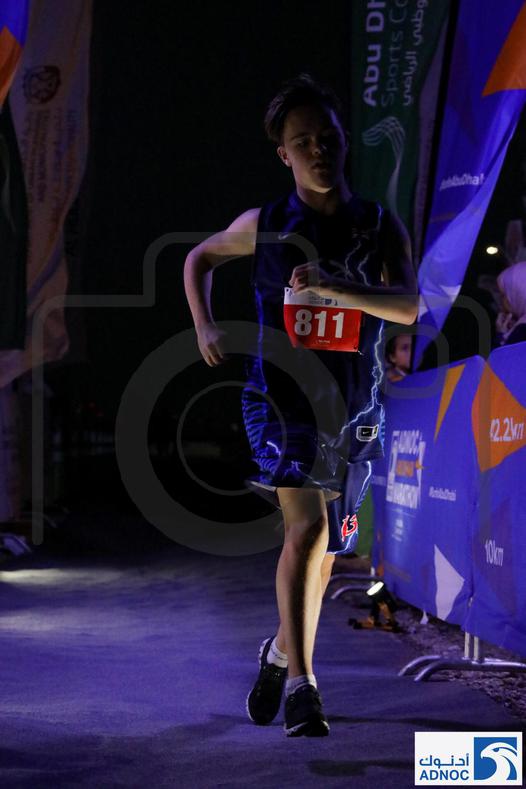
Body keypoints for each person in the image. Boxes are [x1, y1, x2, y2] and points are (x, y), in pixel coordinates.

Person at [184, 74, 418, 737]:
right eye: (303, 140)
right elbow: (198, 258)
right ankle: (303, 687)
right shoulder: (264, 224)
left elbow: (408, 306)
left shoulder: (377, 223)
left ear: (344, 141)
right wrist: (204, 325)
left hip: (354, 404)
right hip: (279, 398)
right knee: (308, 529)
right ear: (283, 153)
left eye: (328, 136)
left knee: (329, 549)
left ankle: (281, 651)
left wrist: (338, 287)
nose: (319, 149)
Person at [496, 261, 526, 346]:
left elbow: (503, 355)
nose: (501, 301)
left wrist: (501, 336)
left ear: (519, 294)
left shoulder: (521, 332)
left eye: (503, 295)